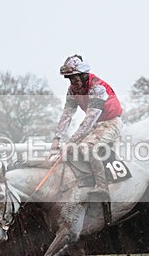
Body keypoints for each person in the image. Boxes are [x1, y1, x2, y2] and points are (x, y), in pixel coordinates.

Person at [49, 54, 124, 199]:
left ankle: (102, 186)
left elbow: (90, 119)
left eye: (74, 78)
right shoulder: (72, 90)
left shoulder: (97, 88)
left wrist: (70, 141)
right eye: (69, 78)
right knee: (71, 151)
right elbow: (67, 115)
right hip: (96, 125)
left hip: (111, 122)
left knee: (86, 148)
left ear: (84, 76)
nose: (72, 82)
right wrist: (57, 139)